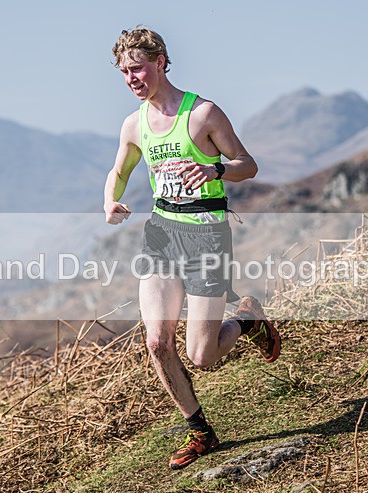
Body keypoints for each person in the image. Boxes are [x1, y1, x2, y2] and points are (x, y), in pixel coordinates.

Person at [103, 26, 281, 470]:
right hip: (162, 234)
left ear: (161, 61)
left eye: (138, 68)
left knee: (202, 356)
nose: (131, 78)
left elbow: (248, 165)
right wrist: (110, 200)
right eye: (124, 72)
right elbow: (119, 170)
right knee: (157, 342)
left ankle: (247, 319)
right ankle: (199, 431)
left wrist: (216, 170)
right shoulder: (134, 124)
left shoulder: (202, 114)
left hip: (206, 235)